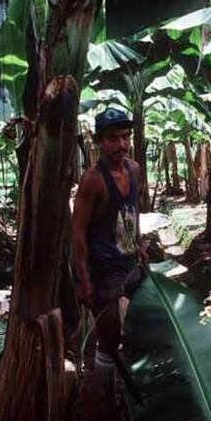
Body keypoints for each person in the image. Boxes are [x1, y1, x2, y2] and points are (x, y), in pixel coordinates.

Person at [72, 107, 145, 404]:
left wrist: (138, 241)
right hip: (104, 268)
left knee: (140, 326)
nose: (121, 145)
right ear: (99, 141)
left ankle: (132, 391)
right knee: (109, 335)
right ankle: (104, 398)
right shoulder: (93, 180)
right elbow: (77, 231)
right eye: (113, 139)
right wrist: (83, 279)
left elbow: (131, 211)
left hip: (130, 261)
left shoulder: (135, 169)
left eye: (125, 137)